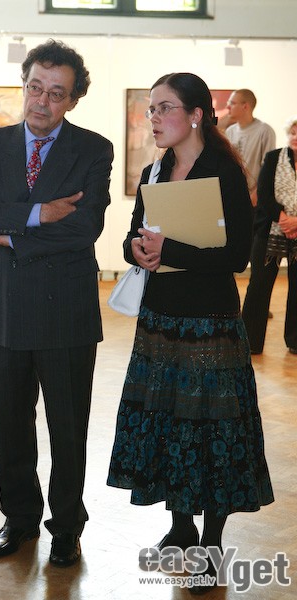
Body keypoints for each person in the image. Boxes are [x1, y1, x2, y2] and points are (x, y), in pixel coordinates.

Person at [107, 73, 274, 594]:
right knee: (170, 424)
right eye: (151, 108)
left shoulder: (224, 172)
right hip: (161, 319)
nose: (154, 117)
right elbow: (134, 235)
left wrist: (170, 251)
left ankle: (211, 542)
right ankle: (180, 528)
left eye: (165, 108)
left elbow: (237, 256)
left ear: (196, 114)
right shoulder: (154, 172)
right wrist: (135, 249)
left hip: (209, 322)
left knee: (213, 430)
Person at [0, 38, 113, 567]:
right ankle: (19, 518)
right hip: (2, 305)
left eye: (56, 93)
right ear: (23, 85)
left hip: (65, 307)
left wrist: (7, 228)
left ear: (73, 99)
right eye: (35, 87)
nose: (41, 101)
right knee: (8, 422)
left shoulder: (93, 149)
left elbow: (85, 227)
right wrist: (38, 214)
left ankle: (67, 526)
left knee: (68, 424)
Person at [242, 116, 297, 355]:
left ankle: (295, 341)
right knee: (259, 286)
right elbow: (264, 194)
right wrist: (283, 219)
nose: (295, 138)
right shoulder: (274, 157)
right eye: (293, 133)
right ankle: (249, 342)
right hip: (270, 229)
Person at [226, 88, 276, 207]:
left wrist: (256, 194)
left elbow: (269, 168)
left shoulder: (265, 131)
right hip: (233, 195)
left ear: (245, 106)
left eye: (232, 103)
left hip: (255, 199)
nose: (228, 107)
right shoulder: (230, 131)